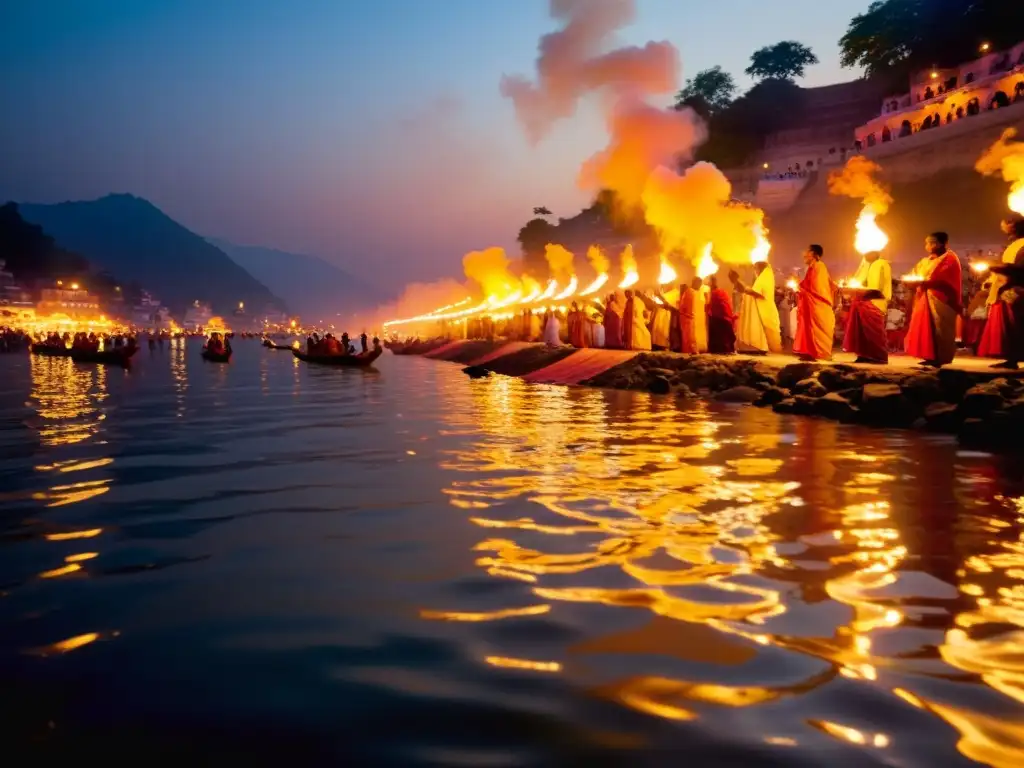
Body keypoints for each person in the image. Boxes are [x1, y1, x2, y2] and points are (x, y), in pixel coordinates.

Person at [904, 232, 963, 368]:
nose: (929, 246)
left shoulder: (950, 258)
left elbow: (942, 278)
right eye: (927, 243)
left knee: (940, 328)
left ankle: (941, 357)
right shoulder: (926, 261)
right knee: (927, 327)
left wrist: (925, 282)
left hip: (942, 299)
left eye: (932, 243)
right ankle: (929, 355)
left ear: (943, 244)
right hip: (925, 297)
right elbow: (915, 274)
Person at [977, 218, 1024, 368]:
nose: (1006, 232)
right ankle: (1011, 359)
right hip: (1005, 289)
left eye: (1008, 228)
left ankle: (1014, 358)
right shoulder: (1013, 245)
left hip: (1017, 290)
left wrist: (998, 268)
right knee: (1010, 327)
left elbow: (1019, 268)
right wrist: (993, 278)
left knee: (1017, 325)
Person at [842, 250, 892, 364]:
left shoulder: (882, 264)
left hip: (875, 301)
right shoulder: (864, 264)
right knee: (859, 330)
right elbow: (857, 280)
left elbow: (880, 286)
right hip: (861, 300)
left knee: (874, 331)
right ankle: (863, 354)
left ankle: (878, 356)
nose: (865, 255)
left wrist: (869, 291)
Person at [793, 244, 836, 361]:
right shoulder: (813, 266)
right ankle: (808, 351)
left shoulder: (819, 266)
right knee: (807, 327)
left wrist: (801, 288)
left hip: (817, 303)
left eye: (807, 252)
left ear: (813, 254)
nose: (804, 255)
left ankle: (818, 353)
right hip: (810, 302)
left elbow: (817, 287)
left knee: (816, 329)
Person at [731, 262, 781, 355]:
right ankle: (754, 347)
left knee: (761, 329)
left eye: (756, 268)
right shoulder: (761, 278)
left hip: (762, 309)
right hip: (757, 308)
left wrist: (747, 289)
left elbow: (760, 293)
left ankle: (759, 347)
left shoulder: (765, 278)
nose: (755, 271)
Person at [706, 274, 737, 354]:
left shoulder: (717, 292)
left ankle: (724, 350)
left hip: (720, 318)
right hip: (721, 317)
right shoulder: (717, 292)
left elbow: (718, 305)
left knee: (722, 337)